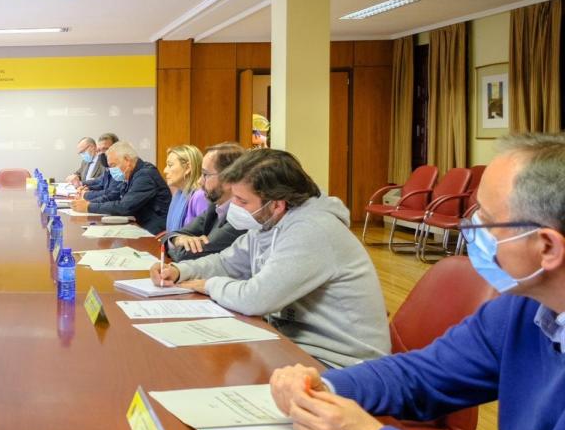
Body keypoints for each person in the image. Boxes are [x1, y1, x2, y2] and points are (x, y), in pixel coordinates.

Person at [268, 133, 565, 430]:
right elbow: (425, 373)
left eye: (486, 220)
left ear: (547, 247)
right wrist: (324, 387)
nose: (469, 229)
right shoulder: (521, 306)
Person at [151, 148, 389, 367]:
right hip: (292, 346)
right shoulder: (267, 223)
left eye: (242, 201)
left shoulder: (311, 229)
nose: (234, 206)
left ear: (276, 205)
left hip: (338, 365)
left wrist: (209, 285)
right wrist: (181, 271)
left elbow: (256, 298)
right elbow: (225, 262)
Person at [165, 143, 246, 261]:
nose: (199, 181)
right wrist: (178, 239)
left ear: (229, 178)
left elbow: (185, 255)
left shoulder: (240, 218)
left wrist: (174, 243)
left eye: (205, 175)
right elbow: (170, 236)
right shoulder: (214, 207)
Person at [72, 141, 171, 234]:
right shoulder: (130, 174)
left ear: (127, 160)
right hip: (138, 225)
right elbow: (112, 196)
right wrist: (87, 202)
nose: (111, 170)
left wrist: (89, 207)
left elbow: (124, 207)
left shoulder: (145, 175)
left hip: (153, 233)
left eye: (113, 165)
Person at [163, 144, 209, 233]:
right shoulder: (178, 194)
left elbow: (205, 236)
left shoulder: (200, 196)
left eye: (170, 165)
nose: (165, 170)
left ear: (188, 168)